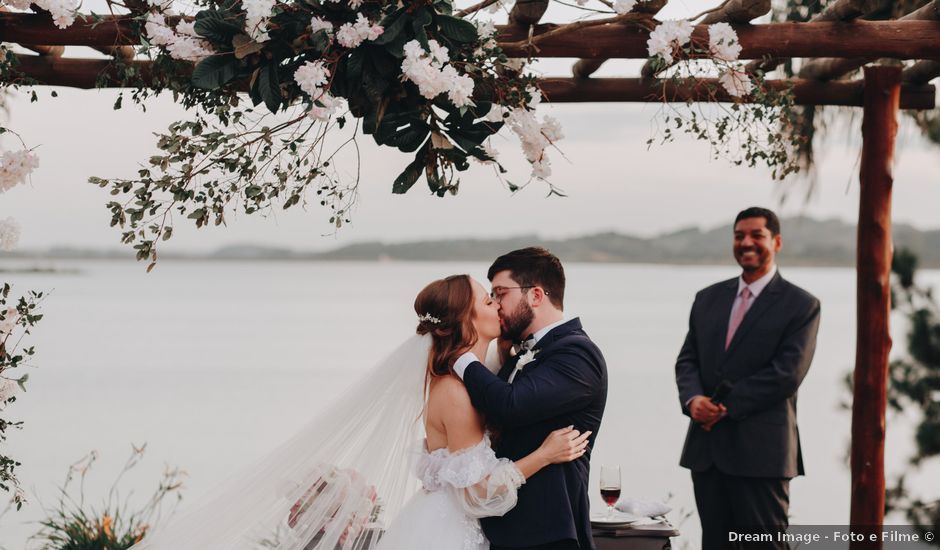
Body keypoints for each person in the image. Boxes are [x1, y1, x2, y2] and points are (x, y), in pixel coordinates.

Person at [131, 274, 588, 550]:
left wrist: (505, 352)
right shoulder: (455, 392)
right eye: (487, 300)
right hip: (449, 533)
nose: (495, 304)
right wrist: (543, 456)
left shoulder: (463, 379)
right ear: (467, 319)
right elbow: (473, 496)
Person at [675, 207, 821, 550]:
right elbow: (687, 360)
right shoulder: (707, 298)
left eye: (757, 235)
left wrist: (722, 407)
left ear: (777, 242)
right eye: (739, 235)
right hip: (707, 453)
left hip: (762, 456)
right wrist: (694, 400)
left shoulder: (801, 305)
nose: (746, 242)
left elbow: (787, 374)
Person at [453, 247, 609, 550]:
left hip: (549, 533)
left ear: (536, 295)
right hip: (503, 527)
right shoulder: (519, 352)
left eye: (501, 294)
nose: (496, 305)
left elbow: (510, 407)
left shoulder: (578, 354)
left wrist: (460, 357)